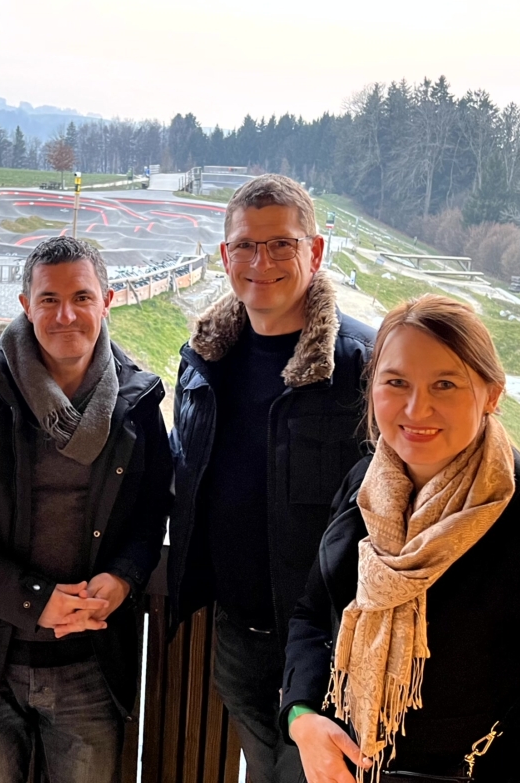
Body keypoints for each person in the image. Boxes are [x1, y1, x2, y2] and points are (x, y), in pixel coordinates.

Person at [281, 294, 520, 783]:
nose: (417, 407)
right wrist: (302, 717)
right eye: (396, 382)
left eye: (445, 383)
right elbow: (313, 614)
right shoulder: (364, 489)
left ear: (492, 394)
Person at [0, 237, 173, 783]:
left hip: (90, 666)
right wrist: (33, 600)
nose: (65, 314)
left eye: (81, 297)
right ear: (26, 305)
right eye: (48, 299)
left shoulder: (137, 406)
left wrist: (124, 576)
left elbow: (150, 513)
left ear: (108, 301)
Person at [168, 174, 376, 782]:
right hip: (237, 637)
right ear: (225, 255)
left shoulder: (364, 366)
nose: (262, 262)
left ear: (314, 251)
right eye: (245, 246)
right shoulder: (205, 358)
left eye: (282, 244)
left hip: (330, 649)